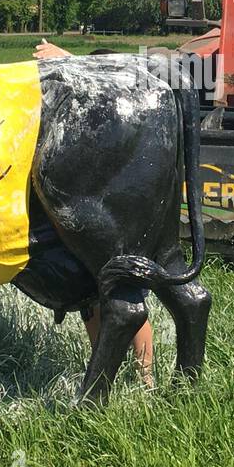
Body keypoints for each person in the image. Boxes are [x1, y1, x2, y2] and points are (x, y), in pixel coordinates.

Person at [32, 39, 155, 387]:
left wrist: (70, 59)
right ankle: (104, 368)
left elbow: (118, 82)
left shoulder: (129, 112)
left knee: (125, 292)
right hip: (85, 216)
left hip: (113, 216)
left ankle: (146, 377)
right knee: (90, 297)